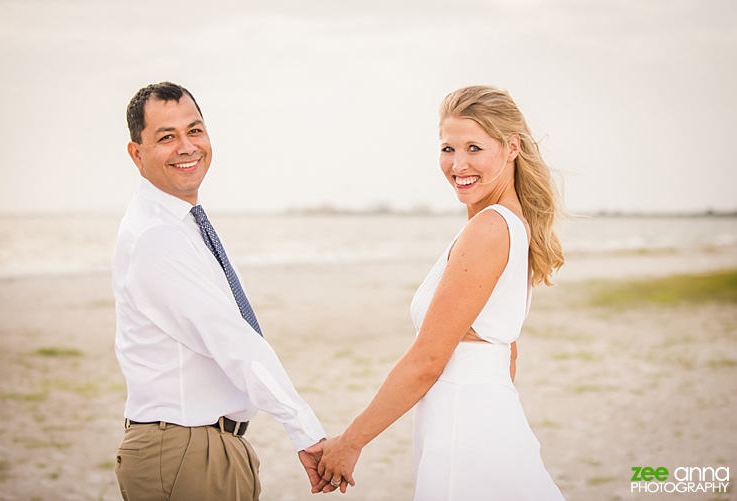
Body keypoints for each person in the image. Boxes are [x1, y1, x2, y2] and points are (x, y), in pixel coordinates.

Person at [307, 85, 566, 499]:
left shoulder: (488, 228)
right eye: (448, 148)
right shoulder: (511, 225)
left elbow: (429, 359)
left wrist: (351, 441)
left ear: (512, 147)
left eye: (474, 148)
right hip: (484, 417)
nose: (458, 164)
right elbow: (509, 353)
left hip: (465, 425)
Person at [112, 81, 328, 500]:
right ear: (136, 154)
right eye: (166, 137)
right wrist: (304, 428)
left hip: (204, 446)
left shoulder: (183, 224)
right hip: (184, 452)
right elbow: (233, 341)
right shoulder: (158, 237)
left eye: (194, 131)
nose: (187, 146)